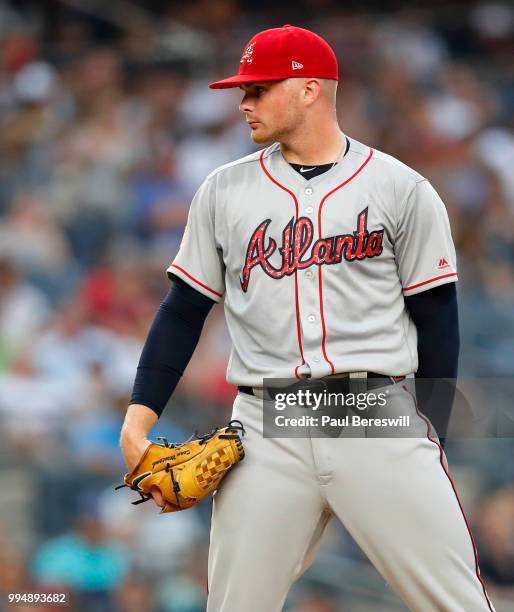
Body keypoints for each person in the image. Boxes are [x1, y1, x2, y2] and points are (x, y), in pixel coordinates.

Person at [120, 25, 495, 611]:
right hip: (265, 422)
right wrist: (139, 416)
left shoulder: (400, 187)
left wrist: (434, 431)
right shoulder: (223, 191)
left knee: (458, 604)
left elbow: (437, 318)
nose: (244, 101)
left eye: (260, 88)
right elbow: (182, 311)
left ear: (309, 89)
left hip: (375, 414)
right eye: (243, 90)